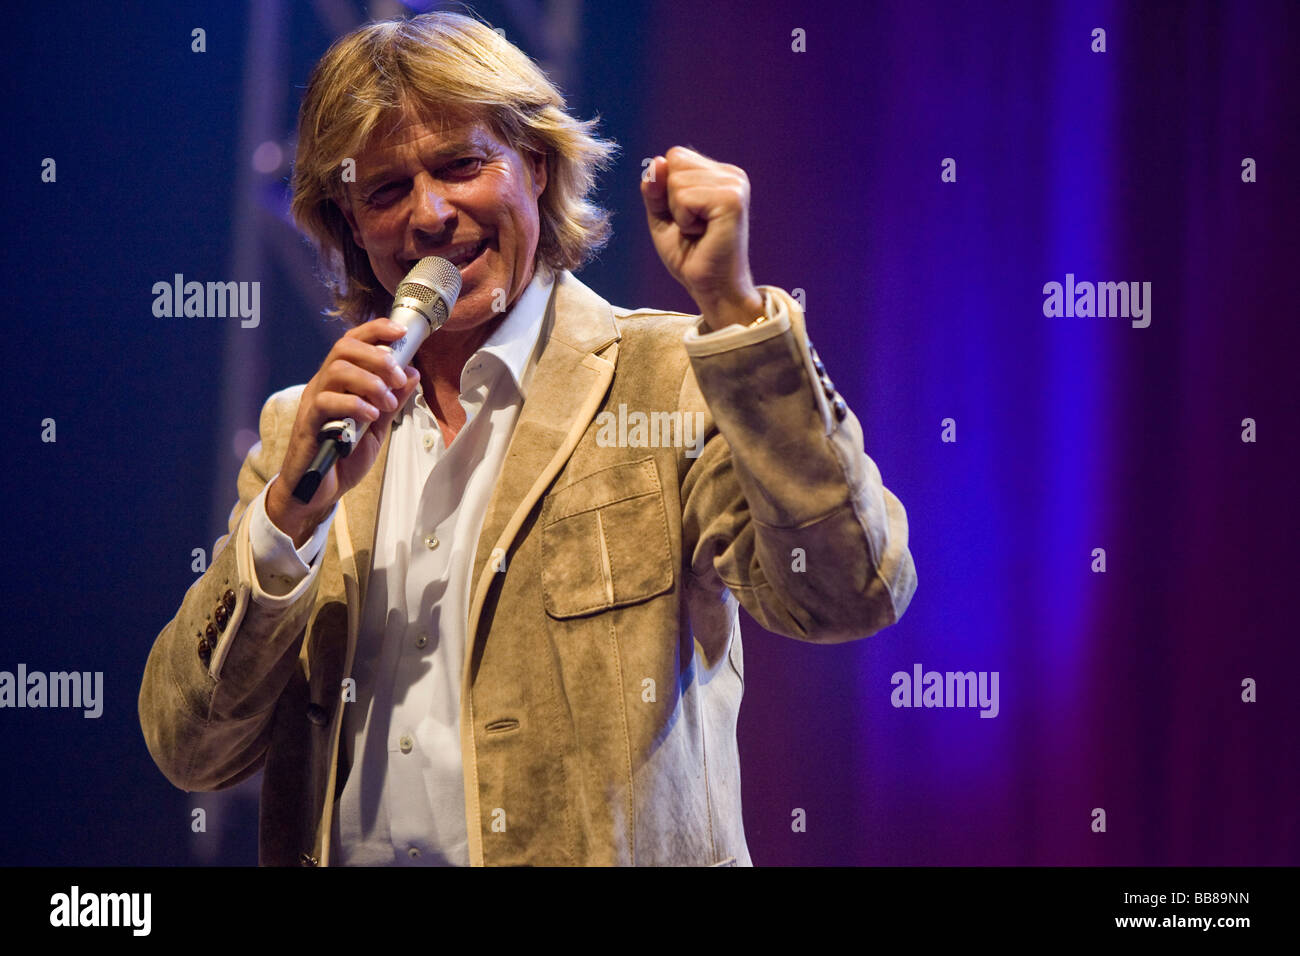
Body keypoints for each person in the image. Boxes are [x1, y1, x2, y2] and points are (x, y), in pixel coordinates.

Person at [138, 11, 917, 867]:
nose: (430, 215)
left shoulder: (670, 376)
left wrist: (735, 312)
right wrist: (288, 520)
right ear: (350, 225)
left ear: (535, 167)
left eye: (462, 166)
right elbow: (191, 748)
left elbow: (849, 594)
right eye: (386, 191)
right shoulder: (302, 431)